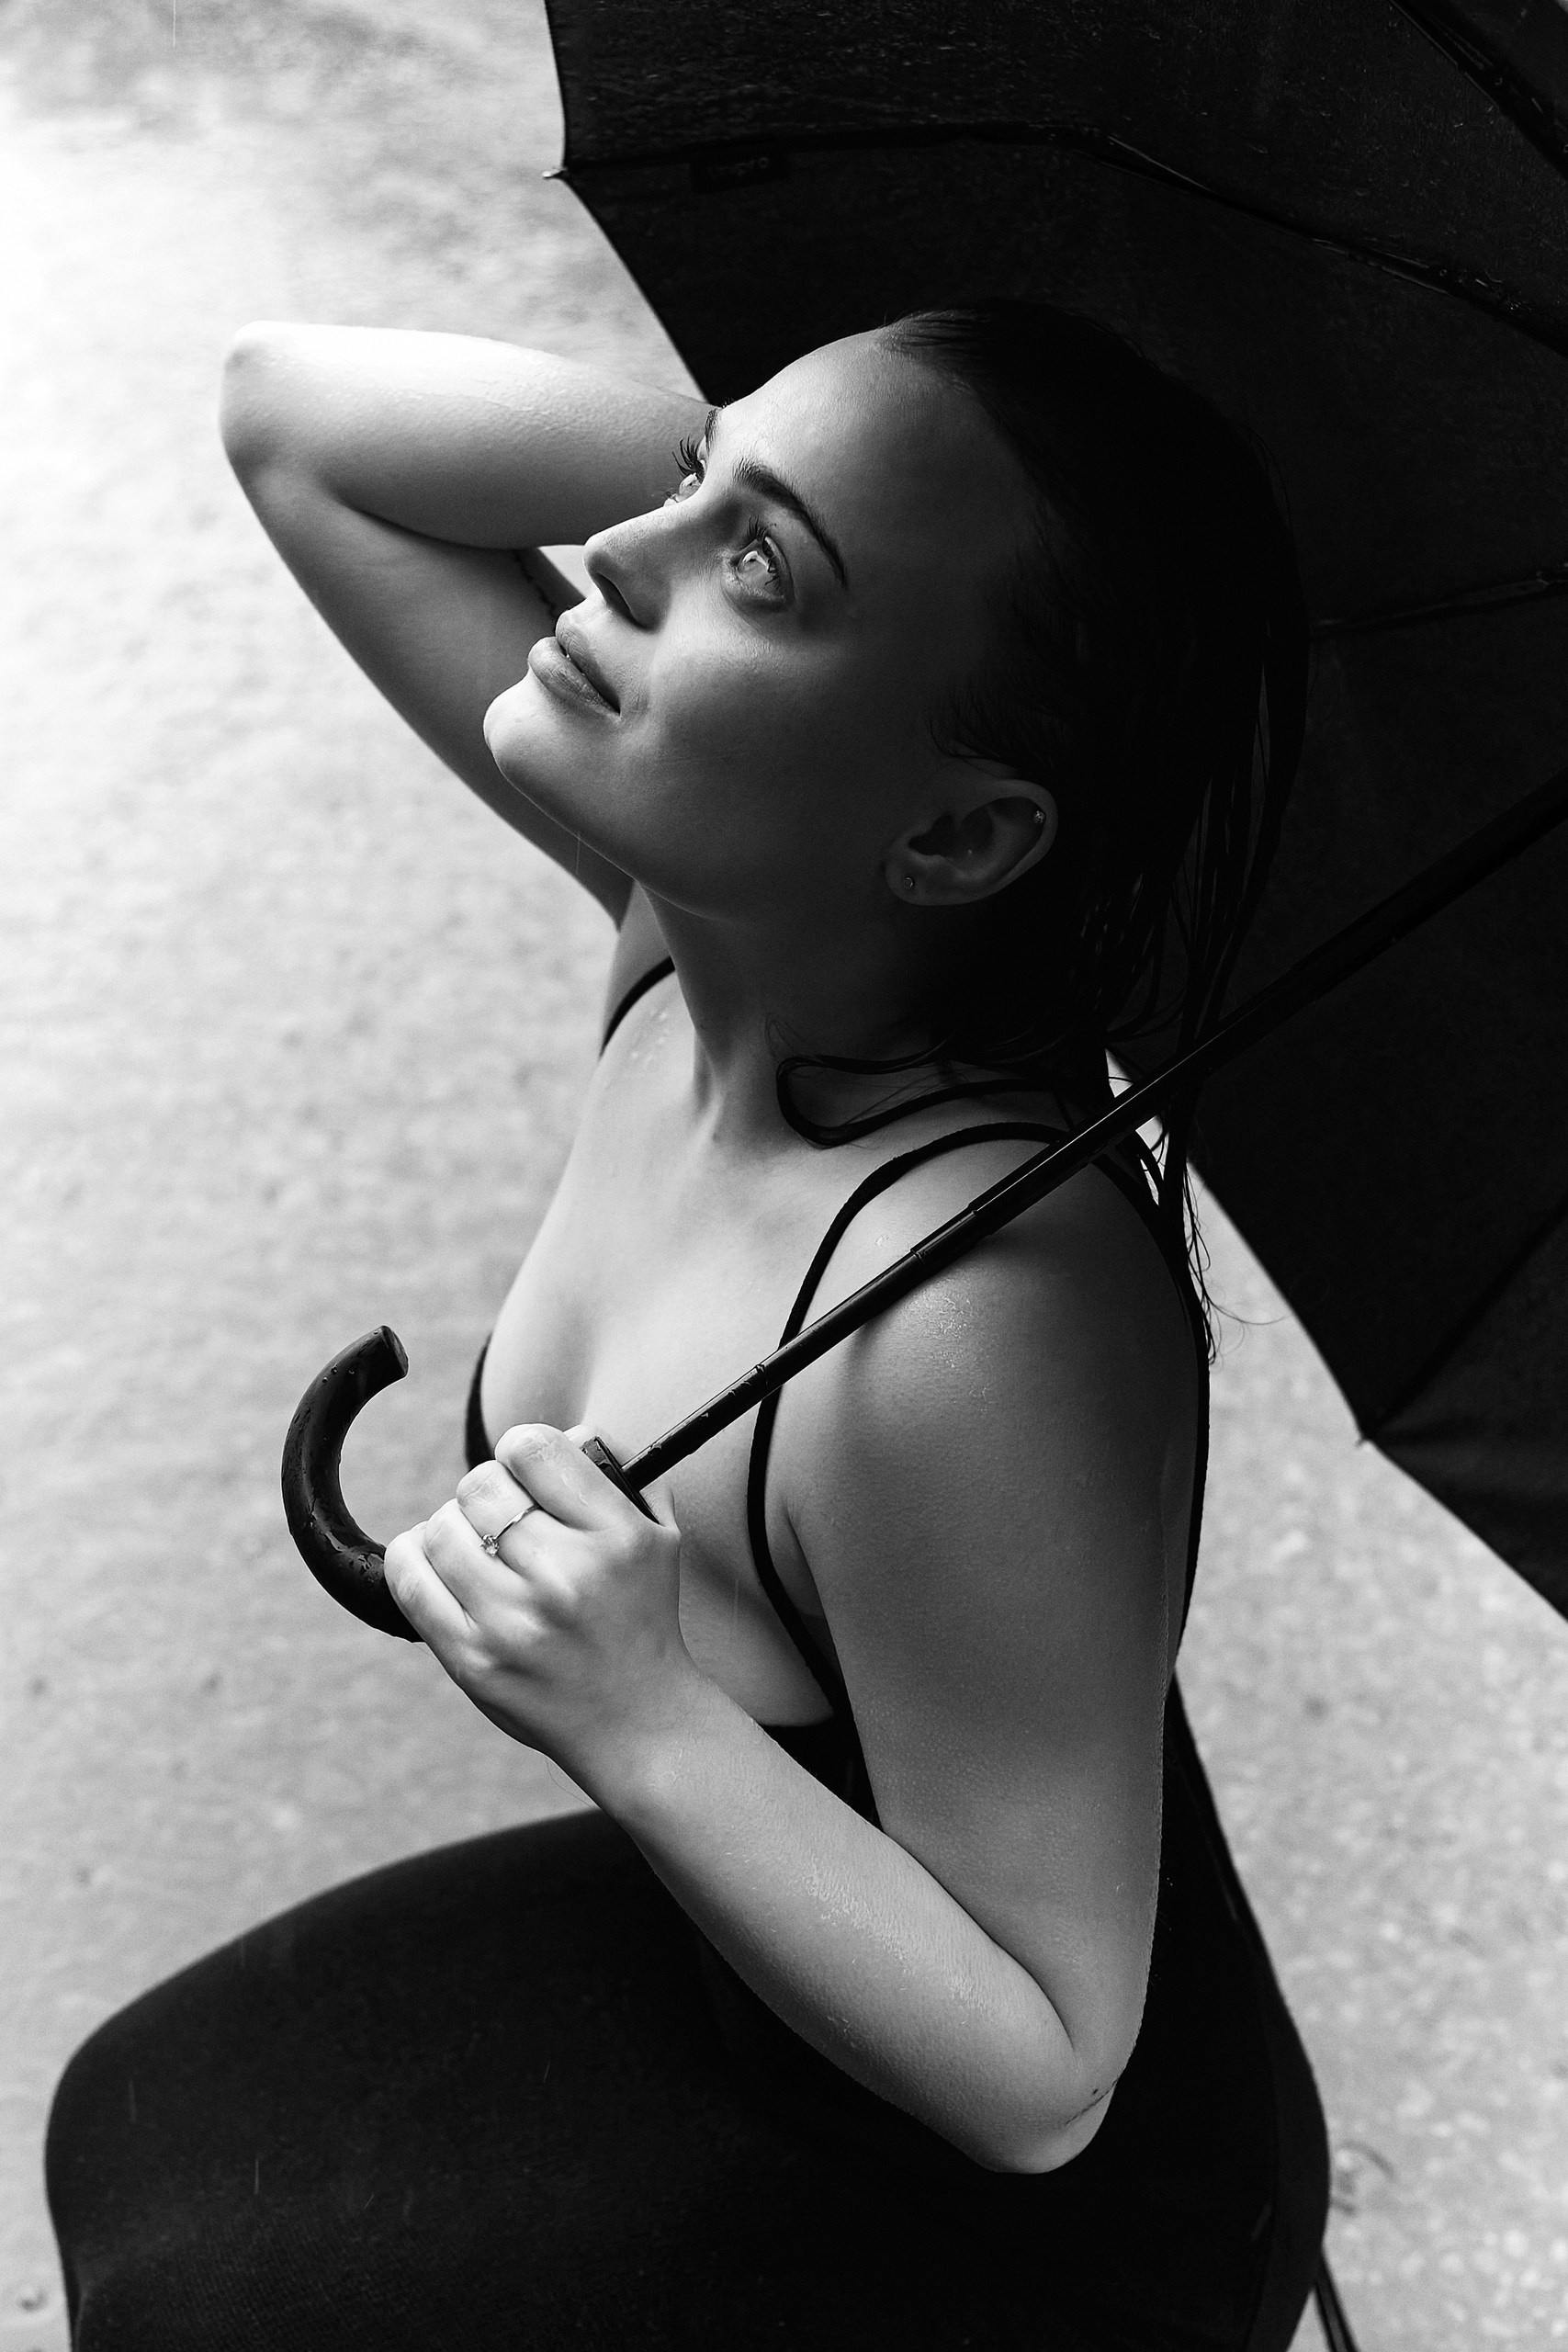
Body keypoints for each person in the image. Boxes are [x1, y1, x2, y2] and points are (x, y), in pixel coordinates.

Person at [46, 300, 1329, 2349]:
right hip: (751, 1976)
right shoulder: (707, 943)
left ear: (956, 832)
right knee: (132, 2115)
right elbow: (297, 421)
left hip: (1020, 2231)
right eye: (685, 481)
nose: (622, 556)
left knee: (207, 2301)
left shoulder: (970, 1327)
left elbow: (1045, 2071)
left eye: (756, 570)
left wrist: (637, 1713)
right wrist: (786, 465)